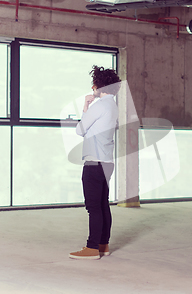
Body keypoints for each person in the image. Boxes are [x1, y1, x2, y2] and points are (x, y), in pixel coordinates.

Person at [69, 65, 121, 260]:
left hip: (94, 162)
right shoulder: (112, 106)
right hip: (107, 161)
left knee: (93, 206)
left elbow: (80, 130)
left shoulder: (99, 105)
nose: (93, 88)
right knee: (102, 204)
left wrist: (85, 107)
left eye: (94, 84)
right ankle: (103, 244)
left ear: (100, 86)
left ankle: (91, 248)